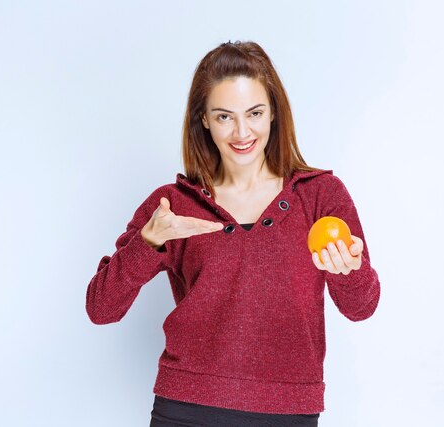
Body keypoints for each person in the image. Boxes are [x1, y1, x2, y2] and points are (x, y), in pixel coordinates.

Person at [86, 40, 380, 427]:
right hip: (185, 408)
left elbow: (362, 308)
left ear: (273, 112)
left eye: (254, 113)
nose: (242, 131)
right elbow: (101, 308)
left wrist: (351, 269)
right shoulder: (172, 205)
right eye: (224, 116)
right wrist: (147, 242)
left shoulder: (320, 195)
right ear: (204, 119)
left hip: (287, 412)